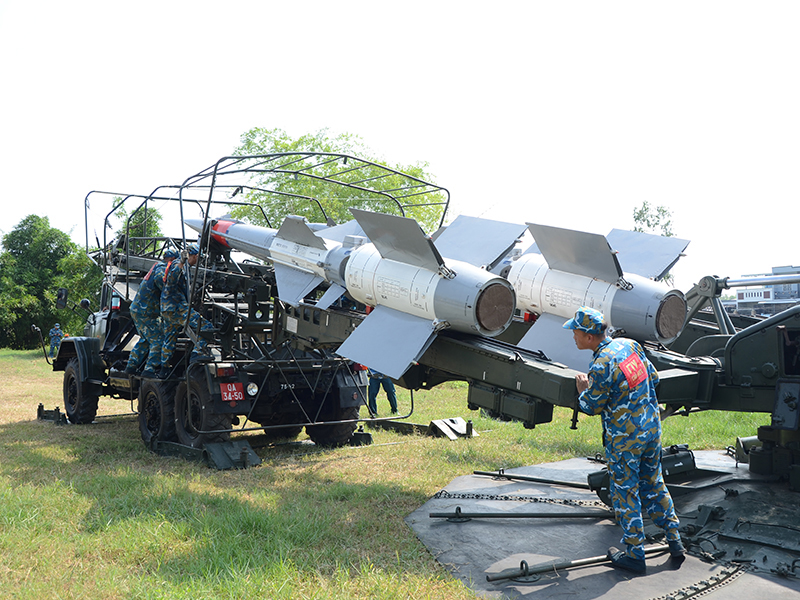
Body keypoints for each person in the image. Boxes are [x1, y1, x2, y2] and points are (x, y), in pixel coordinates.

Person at [563, 306, 684, 574]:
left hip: (625, 441)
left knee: (626, 491)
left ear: (589, 336)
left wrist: (583, 390)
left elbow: (592, 406)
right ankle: (675, 540)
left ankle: (634, 554)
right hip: (651, 431)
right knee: (654, 483)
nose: (573, 335)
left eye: (575, 331)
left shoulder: (601, 364)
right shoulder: (629, 346)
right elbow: (653, 378)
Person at [121, 249, 179, 377]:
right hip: (146, 312)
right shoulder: (162, 269)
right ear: (173, 260)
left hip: (140, 310)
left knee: (146, 339)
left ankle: (131, 367)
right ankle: (149, 370)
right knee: (159, 339)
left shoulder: (157, 266)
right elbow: (163, 284)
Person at [160, 243, 213, 374]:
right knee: (206, 327)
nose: (197, 261)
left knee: (169, 339)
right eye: (197, 258)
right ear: (193, 256)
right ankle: (197, 353)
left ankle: (164, 369)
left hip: (168, 309)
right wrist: (182, 262)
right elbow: (172, 280)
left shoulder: (181, 266)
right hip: (178, 308)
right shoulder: (178, 264)